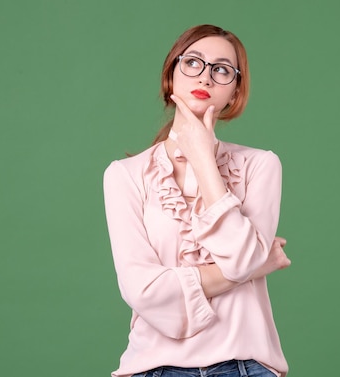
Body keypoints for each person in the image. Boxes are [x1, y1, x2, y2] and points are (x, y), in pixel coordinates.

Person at [103, 24, 291, 377]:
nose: (205, 76)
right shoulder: (124, 175)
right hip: (153, 368)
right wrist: (254, 265)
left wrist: (204, 160)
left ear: (234, 91)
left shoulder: (261, 165)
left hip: (245, 365)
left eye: (221, 69)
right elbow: (142, 290)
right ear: (170, 76)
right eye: (193, 62)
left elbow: (241, 260)